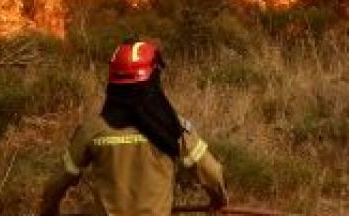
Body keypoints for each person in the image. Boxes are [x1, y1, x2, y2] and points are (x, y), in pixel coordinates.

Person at [38, 39, 227, 216]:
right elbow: (212, 173)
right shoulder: (174, 127)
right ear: (153, 80)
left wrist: (49, 210)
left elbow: (58, 182)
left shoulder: (92, 130)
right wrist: (218, 201)